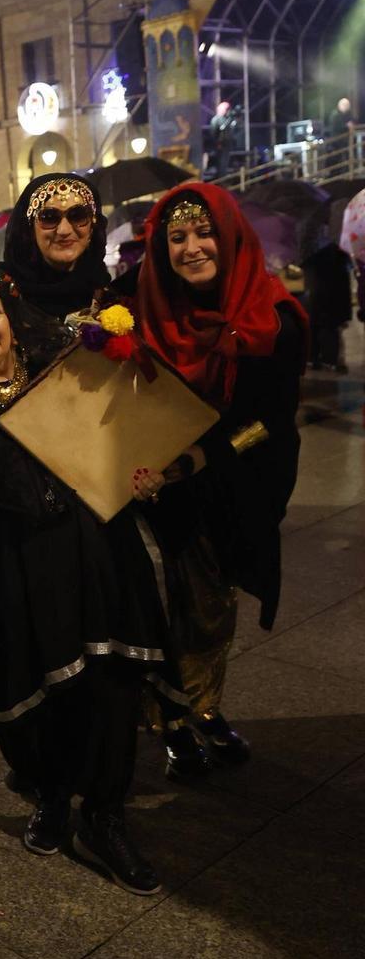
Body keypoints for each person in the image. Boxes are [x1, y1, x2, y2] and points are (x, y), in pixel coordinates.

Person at [0, 265, 177, 894]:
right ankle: (53, 798)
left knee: (109, 685)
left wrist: (145, 474)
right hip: (7, 570)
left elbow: (123, 442)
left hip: (94, 555)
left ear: (14, 319)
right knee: (30, 697)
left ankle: (105, 816)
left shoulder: (67, 374)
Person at [132, 184, 307, 777]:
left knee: (210, 604)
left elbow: (269, 423)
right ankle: (170, 716)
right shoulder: (146, 306)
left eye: (204, 233)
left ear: (229, 237)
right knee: (158, 599)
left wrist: (200, 460)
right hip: (147, 482)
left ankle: (202, 706)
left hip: (229, 480)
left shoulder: (274, 320)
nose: (191, 248)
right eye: (176, 238)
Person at [3, 173, 110, 320]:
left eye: (77, 216)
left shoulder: (106, 294)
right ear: (30, 230)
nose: (64, 230)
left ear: (92, 227)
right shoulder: (1, 292)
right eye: (49, 218)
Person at [302, 241, 351, 372]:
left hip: (316, 286)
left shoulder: (310, 240)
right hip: (331, 290)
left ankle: (313, 357)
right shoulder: (338, 245)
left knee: (315, 320)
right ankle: (329, 359)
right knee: (329, 323)